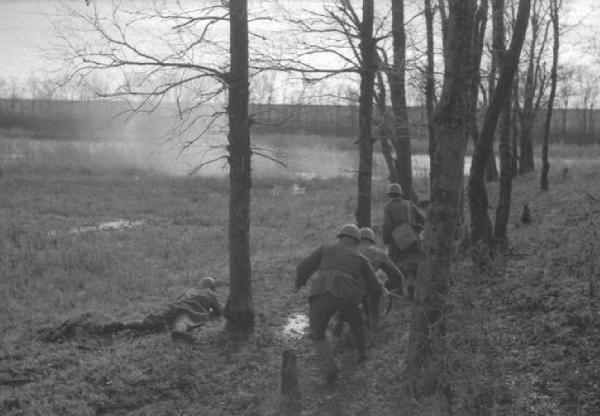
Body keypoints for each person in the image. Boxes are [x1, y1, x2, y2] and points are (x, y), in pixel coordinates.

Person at [295, 224, 382, 383]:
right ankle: (362, 354)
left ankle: (330, 366)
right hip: (348, 296)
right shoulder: (361, 258)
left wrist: (299, 283)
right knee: (357, 323)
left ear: (340, 238)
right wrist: (375, 308)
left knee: (317, 333)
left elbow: (303, 268)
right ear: (357, 242)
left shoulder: (325, 249)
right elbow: (375, 286)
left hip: (321, 293)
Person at [40, 277, 222, 344]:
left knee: (148, 322)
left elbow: (177, 300)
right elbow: (219, 312)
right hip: (187, 309)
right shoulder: (209, 294)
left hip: (172, 307)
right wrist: (214, 312)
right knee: (182, 321)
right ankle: (178, 333)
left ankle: (123, 324)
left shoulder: (189, 289)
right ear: (212, 288)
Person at [382, 183, 425, 300]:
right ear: (400, 193)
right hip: (414, 239)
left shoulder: (388, 207)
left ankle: (399, 288)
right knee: (412, 263)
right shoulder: (409, 204)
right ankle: (411, 286)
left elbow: (387, 225)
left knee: (396, 264)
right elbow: (423, 219)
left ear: (389, 194)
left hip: (397, 241)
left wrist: (386, 239)